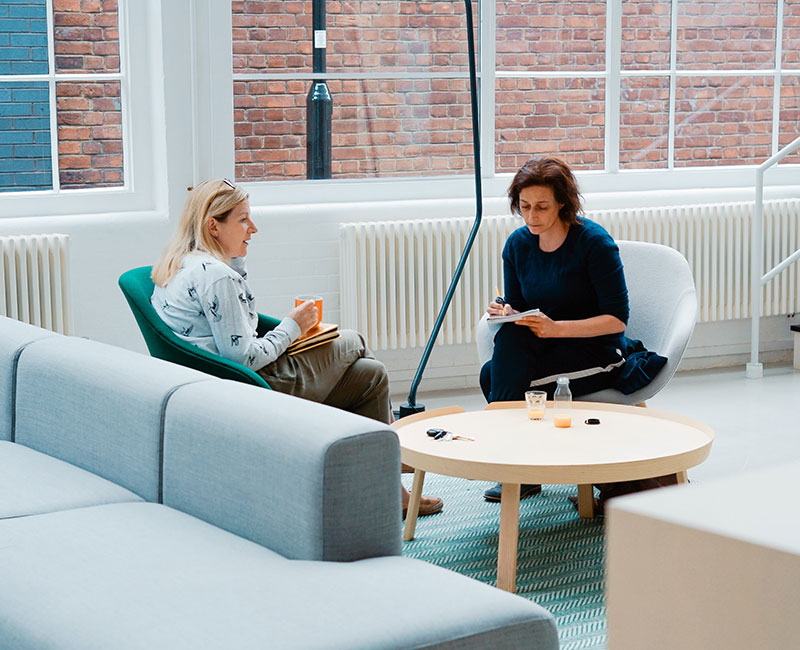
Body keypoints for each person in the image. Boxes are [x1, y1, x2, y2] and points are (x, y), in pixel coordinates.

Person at [151, 179, 442, 518]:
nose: (253, 228)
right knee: (354, 340)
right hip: (254, 386)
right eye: (243, 219)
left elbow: (234, 333)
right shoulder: (218, 278)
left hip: (224, 383)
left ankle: (388, 488)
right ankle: (396, 453)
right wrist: (293, 326)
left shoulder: (187, 264)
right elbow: (242, 357)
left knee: (371, 375)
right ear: (213, 226)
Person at [479, 157, 668, 507]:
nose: (531, 216)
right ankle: (522, 464)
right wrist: (505, 311)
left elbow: (617, 320)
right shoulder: (518, 245)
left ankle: (516, 464)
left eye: (541, 207)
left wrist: (555, 328)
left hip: (597, 350)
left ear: (563, 202)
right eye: (524, 207)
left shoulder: (594, 243)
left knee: (497, 379)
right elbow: (520, 309)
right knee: (495, 366)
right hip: (547, 347)